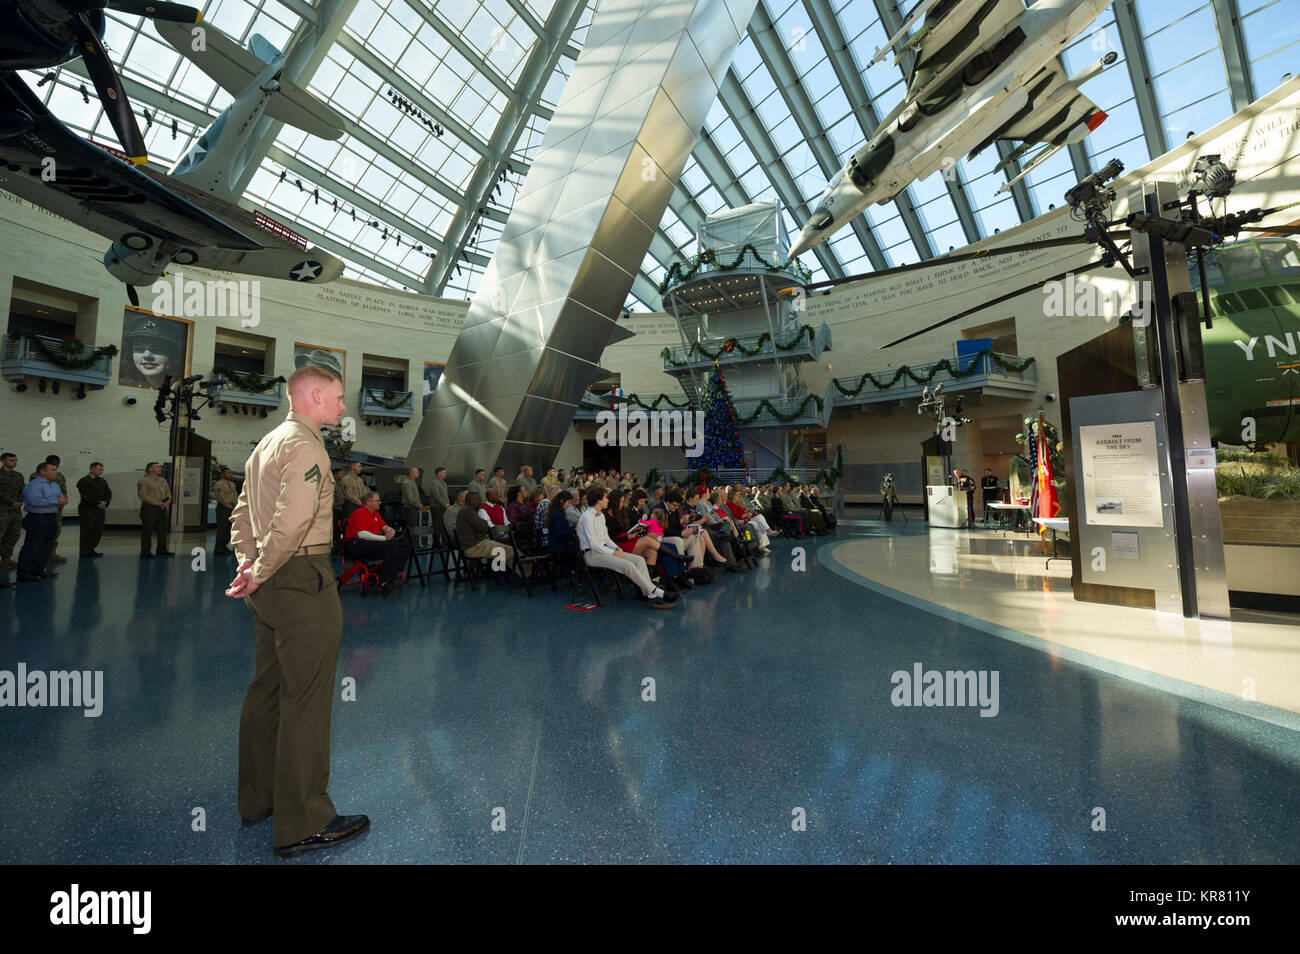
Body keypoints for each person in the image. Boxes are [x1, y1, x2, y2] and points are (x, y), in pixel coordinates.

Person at [225, 362, 370, 859]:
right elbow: (293, 520)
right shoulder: (307, 446)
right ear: (311, 395)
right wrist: (262, 568)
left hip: (268, 587)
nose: (343, 406)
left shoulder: (266, 444)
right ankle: (305, 821)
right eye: (337, 397)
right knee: (305, 701)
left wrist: (248, 565)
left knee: (265, 692)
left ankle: (258, 801)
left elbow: (242, 512)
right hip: (300, 581)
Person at [577, 488, 673, 609]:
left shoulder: (600, 515)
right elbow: (593, 544)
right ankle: (657, 592)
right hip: (592, 555)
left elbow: (606, 538)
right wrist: (613, 552)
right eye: (605, 497)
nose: (608, 500)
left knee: (640, 560)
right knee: (628, 565)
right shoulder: (586, 517)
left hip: (603, 551)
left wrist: (617, 548)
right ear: (598, 500)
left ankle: (649, 595)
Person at [343, 491, 411, 595]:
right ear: (369, 502)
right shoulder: (360, 513)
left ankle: (394, 574)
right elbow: (362, 534)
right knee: (390, 547)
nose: (380, 502)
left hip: (370, 544)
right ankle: (385, 582)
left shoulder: (375, 514)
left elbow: (385, 527)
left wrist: (390, 530)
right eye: (377, 500)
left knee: (405, 546)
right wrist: (384, 538)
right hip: (356, 545)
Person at [17, 461, 65, 582]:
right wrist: (55, 501)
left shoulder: (54, 485)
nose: (56, 472)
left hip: (51, 517)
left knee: (46, 545)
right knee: (33, 545)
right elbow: (35, 501)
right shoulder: (33, 485)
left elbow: (61, 498)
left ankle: (38, 569)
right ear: (43, 472)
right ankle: (24, 572)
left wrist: (58, 500)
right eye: (53, 470)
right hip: (37, 517)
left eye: (56, 469)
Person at [457, 492, 526, 576]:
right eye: (478, 500)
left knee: (508, 548)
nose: (481, 502)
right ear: (471, 501)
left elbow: (481, 527)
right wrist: (483, 525)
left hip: (477, 544)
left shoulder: (468, 511)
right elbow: (484, 526)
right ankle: (527, 573)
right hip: (474, 546)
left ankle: (504, 571)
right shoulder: (467, 512)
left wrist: (483, 526)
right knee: (510, 550)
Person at [28, 454, 69, 563]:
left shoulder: (60, 476)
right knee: (39, 534)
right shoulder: (36, 476)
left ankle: (51, 554)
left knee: (55, 531)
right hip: (42, 511)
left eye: (57, 465)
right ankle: (36, 557)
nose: (56, 468)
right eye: (53, 465)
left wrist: (63, 500)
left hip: (56, 510)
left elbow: (63, 490)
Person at [137, 461, 174, 557]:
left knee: (163, 530)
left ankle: (162, 549)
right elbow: (143, 495)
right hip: (150, 508)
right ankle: (145, 552)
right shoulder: (144, 481)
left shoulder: (163, 480)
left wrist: (167, 502)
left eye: (160, 467)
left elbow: (168, 493)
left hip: (162, 508)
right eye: (157, 467)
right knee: (147, 531)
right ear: (150, 469)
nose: (160, 469)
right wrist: (158, 503)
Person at [76, 461, 111, 558]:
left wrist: (105, 502)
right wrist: (97, 503)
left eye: (102, 469)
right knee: (87, 530)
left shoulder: (102, 481)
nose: (101, 471)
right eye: (99, 469)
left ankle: (91, 549)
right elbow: (86, 495)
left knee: (98, 530)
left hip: (100, 509)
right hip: (87, 509)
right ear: (92, 469)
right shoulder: (83, 481)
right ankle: (84, 551)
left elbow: (108, 493)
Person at [0, 452, 23, 570]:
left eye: (15, 460)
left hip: (15, 511)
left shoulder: (18, 475)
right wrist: (10, 502)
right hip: (2, 509)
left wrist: (18, 503)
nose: (14, 462)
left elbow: (22, 490)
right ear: (3, 461)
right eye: (11, 460)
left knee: (13, 534)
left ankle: (6, 559)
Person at [212, 466, 238, 555]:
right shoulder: (219, 484)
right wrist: (229, 506)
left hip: (232, 509)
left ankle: (224, 546)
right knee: (223, 528)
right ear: (223, 474)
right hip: (223, 509)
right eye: (228, 473)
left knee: (229, 529)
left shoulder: (232, 484)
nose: (231, 474)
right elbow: (221, 498)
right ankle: (218, 548)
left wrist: (236, 506)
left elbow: (235, 497)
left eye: (231, 473)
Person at [398, 466, 429, 534]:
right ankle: (412, 543)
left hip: (413, 507)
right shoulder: (408, 483)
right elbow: (410, 498)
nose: (418, 473)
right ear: (412, 473)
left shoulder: (412, 482)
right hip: (410, 508)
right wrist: (419, 505)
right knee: (412, 528)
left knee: (414, 527)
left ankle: (413, 542)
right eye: (417, 472)